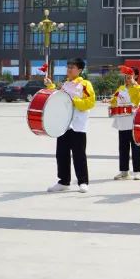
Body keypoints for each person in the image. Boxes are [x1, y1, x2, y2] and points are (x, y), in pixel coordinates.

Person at [45, 58, 97, 193]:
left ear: (79, 70)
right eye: (68, 67)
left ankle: (83, 182)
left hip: (78, 125)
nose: (69, 69)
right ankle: (63, 181)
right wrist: (50, 86)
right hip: (63, 125)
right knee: (61, 154)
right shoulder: (65, 84)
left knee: (79, 154)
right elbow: (58, 97)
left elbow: (90, 102)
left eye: (72, 67)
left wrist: (73, 101)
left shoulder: (85, 84)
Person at [110, 66, 140, 180]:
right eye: (126, 75)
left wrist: (134, 86)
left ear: (135, 76)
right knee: (123, 148)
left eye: (130, 75)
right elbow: (114, 100)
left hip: (134, 121)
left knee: (136, 147)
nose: (127, 77)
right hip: (122, 121)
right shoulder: (121, 88)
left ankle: (138, 171)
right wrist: (111, 101)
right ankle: (124, 171)